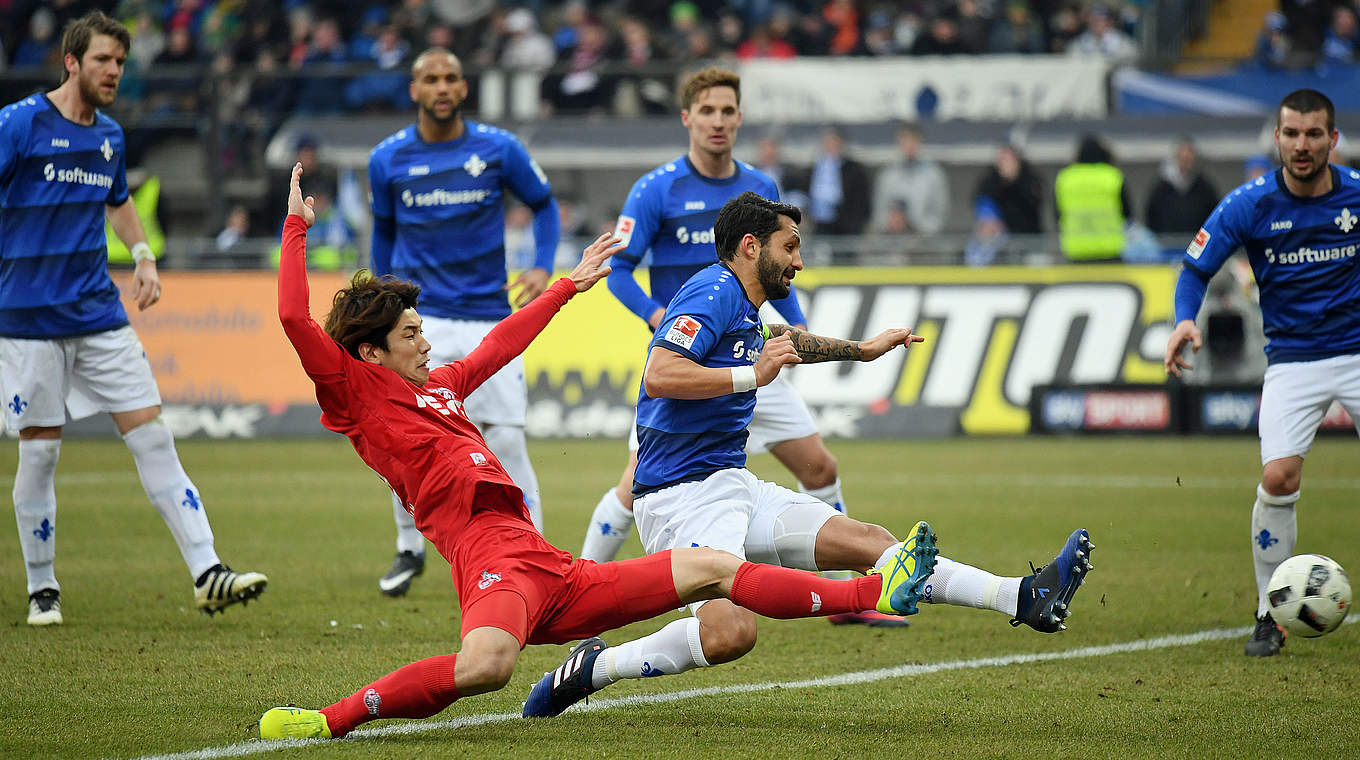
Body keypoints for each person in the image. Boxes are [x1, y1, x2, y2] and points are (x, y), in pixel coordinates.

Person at [258, 164, 941, 740]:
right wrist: (296, 228)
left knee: (714, 567)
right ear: (372, 351)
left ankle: (877, 590)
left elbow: (499, 345)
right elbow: (293, 318)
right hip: (492, 564)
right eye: (412, 334)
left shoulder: (441, 387)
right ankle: (325, 721)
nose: (428, 343)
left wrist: (567, 286)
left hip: (551, 568)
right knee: (487, 667)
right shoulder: (355, 392)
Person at [523, 192, 1095, 718]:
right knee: (730, 635)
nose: (798, 261)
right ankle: (595, 668)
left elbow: (789, 342)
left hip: (731, 484)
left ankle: (1022, 595)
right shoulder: (713, 290)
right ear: (751, 247)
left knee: (871, 542)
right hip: (681, 502)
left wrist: (864, 352)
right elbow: (661, 373)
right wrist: (752, 374)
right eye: (789, 247)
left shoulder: (744, 303)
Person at [577, 66, 887, 624]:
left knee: (818, 466)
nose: (718, 121)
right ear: (687, 119)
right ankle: (575, 590)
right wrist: (656, 314)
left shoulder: (761, 189)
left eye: (727, 111)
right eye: (707, 112)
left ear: (739, 118)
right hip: (690, 363)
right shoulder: (656, 189)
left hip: (751, 354)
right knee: (632, 486)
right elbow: (619, 270)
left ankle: (846, 600)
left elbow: (779, 267)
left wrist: (797, 329)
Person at [0, 11, 266, 627]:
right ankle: (43, 587)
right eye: (103, 61)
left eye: (120, 62)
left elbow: (117, 203)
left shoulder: (110, 138)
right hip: (28, 320)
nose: (114, 71)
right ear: (71, 62)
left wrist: (143, 254)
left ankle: (208, 571)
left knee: (152, 434)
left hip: (99, 314)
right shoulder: (18, 125)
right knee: (39, 456)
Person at [1164, 88, 1360, 657]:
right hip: (1293, 360)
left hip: (1356, 351)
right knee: (1278, 479)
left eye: (1314, 134)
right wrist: (1183, 321)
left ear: (1333, 140)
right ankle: (1268, 612)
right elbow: (1195, 268)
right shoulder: (1248, 204)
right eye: (1291, 134)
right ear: (1277, 138)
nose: (1302, 145)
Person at [366, 47, 561, 597]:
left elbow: (544, 205)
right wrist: (379, 301)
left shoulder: (499, 149)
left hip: (486, 321)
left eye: (452, 76)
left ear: (464, 87)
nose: (442, 86)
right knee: (404, 443)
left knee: (506, 442)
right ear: (415, 89)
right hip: (414, 322)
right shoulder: (387, 159)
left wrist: (544, 264)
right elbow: (383, 232)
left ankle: (536, 562)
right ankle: (409, 548)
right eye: (431, 78)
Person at [1054, 134, 1131, 261]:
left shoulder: (1065, 178)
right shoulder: (1113, 176)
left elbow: (1057, 213)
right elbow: (1127, 212)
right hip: (1110, 250)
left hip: (1076, 250)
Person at [871, 123, 949, 236]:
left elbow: (940, 210)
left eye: (913, 140)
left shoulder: (933, 173)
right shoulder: (888, 173)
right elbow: (879, 209)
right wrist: (890, 222)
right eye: (905, 140)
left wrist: (922, 227)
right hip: (891, 240)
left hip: (923, 241)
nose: (909, 145)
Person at [1144, 136, 1220, 238]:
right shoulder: (1161, 188)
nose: (1186, 161)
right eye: (1183, 157)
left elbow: (1213, 215)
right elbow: (1151, 215)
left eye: (1189, 157)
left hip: (1197, 244)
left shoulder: (1204, 187)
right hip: (1167, 244)